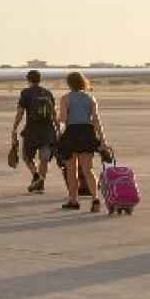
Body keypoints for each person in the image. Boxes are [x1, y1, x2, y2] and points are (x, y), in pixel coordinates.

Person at [57, 71, 107, 212]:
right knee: (88, 169)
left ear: (69, 84)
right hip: (87, 133)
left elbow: (63, 119)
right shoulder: (90, 99)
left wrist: (57, 117)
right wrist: (103, 140)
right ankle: (95, 198)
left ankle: (73, 200)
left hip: (72, 133)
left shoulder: (65, 98)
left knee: (71, 170)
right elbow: (97, 121)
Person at [12, 70, 58, 194]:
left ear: (28, 80)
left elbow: (20, 112)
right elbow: (54, 113)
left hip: (32, 130)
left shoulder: (26, 93)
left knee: (26, 157)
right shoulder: (47, 93)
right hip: (48, 129)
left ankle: (36, 176)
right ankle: (41, 183)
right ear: (39, 79)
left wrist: (15, 127)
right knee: (44, 158)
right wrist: (58, 128)